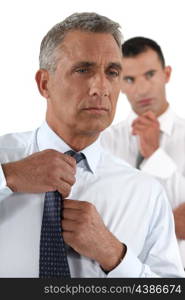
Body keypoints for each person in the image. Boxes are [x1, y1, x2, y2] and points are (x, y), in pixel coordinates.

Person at [0, 14, 184, 278]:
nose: (101, 87)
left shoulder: (146, 194)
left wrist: (114, 255)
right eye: (83, 70)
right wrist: (9, 175)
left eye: (112, 72)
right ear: (44, 83)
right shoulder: (4, 158)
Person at [101, 36, 185, 268]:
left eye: (150, 75)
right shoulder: (103, 141)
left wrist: (154, 154)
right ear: (118, 83)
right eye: (129, 79)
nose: (141, 89)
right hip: (114, 275)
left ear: (166, 74)